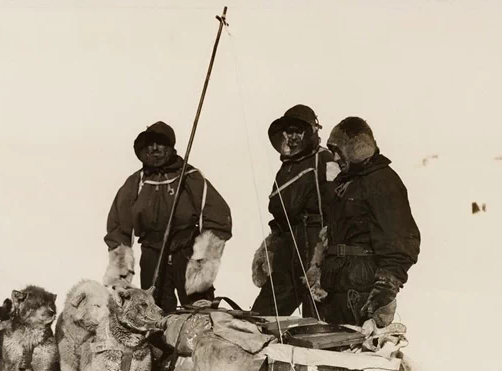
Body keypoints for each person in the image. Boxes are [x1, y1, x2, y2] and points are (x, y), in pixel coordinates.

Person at [102, 121, 233, 313]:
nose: (155, 149)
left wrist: (203, 262)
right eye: (150, 144)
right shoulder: (136, 182)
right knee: (154, 310)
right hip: (151, 253)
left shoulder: (189, 176)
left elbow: (217, 215)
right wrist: (120, 270)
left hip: (185, 250)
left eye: (160, 143)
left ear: (171, 148)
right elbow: (119, 224)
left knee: (197, 310)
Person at [309, 116, 420, 327]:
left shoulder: (382, 181)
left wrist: (386, 288)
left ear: (356, 148)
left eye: (338, 150)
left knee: (361, 358)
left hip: (361, 296)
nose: (334, 157)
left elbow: (401, 240)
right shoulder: (348, 183)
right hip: (337, 292)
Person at [250, 105, 340, 317]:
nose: (292, 137)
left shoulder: (325, 160)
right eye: (288, 131)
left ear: (311, 131)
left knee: (316, 313)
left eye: (298, 131)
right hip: (287, 245)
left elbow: (337, 203)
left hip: (315, 243)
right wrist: (270, 245)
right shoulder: (286, 168)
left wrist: (326, 248)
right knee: (264, 312)